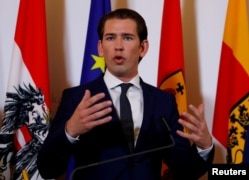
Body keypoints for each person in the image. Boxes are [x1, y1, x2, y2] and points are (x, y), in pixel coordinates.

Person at [37, 8, 214, 180]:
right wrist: (71, 131)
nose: (118, 46)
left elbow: (185, 172)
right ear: (100, 47)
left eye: (127, 38)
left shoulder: (163, 102)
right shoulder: (76, 98)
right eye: (110, 38)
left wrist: (204, 146)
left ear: (143, 48)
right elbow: (47, 168)